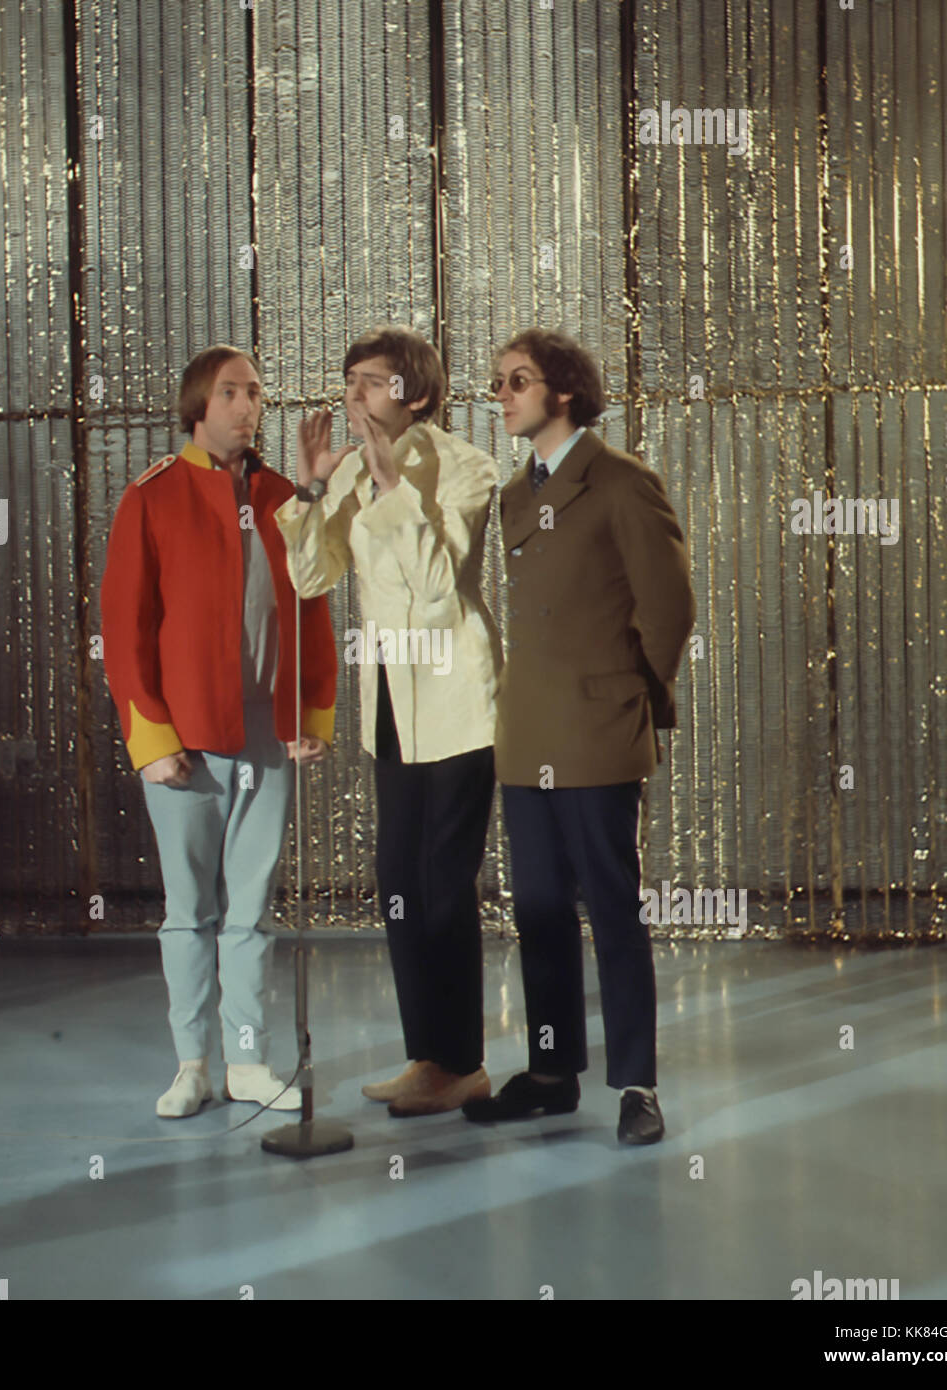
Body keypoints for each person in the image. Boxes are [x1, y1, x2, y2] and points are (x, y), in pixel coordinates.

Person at [462, 328, 696, 1144]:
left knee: (613, 907)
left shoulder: (624, 482)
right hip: (528, 730)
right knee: (537, 909)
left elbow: (668, 610)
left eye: (516, 381)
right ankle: (554, 1070)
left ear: (563, 391)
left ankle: (637, 1085)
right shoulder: (515, 493)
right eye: (497, 383)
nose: (502, 395)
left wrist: (631, 694)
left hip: (597, 729)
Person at [100, 346, 338, 1118]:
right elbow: (124, 626)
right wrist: (151, 738)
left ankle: (246, 1061)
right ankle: (191, 1064)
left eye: (257, 392)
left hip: (265, 737)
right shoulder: (152, 497)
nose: (249, 406)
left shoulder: (281, 496)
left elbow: (311, 607)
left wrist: (308, 716)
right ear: (197, 405)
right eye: (232, 392)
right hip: (183, 740)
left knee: (250, 910)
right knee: (188, 910)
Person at [273, 326, 503, 1117]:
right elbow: (311, 576)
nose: (355, 395)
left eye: (372, 381)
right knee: (399, 883)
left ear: (418, 394)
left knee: (444, 887)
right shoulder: (345, 477)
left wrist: (387, 481)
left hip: (456, 700)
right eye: (350, 381)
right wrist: (310, 490)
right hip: (391, 706)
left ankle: (464, 1062)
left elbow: (437, 588)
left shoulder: (466, 468)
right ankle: (426, 1056)